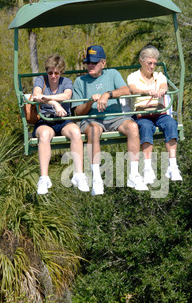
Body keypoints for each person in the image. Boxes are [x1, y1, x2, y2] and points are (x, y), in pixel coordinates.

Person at [72, 45, 148, 196]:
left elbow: (126, 90)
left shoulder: (112, 74)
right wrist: (89, 102)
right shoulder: (80, 81)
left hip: (115, 118)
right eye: (88, 62)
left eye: (94, 62)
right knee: (93, 131)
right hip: (92, 119)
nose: (90, 66)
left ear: (103, 63)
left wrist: (107, 94)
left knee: (133, 127)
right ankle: (97, 179)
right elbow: (77, 112)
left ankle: (133, 174)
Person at [31, 54, 89, 195]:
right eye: (50, 72)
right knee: (44, 135)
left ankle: (79, 175)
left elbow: (67, 96)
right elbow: (36, 96)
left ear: (61, 72)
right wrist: (55, 104)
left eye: (56, 73)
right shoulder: (41, 80)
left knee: (76, 132)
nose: (53, 76)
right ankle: (44, 178)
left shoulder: (66, 82)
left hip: (63, 121)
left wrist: (48, 99)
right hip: (46, 120)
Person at [127, 46, 182, 185]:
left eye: (154, 63)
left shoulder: (159, 76)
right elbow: (133, 89)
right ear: (141, 62)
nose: (152, 67)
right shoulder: (133, 76)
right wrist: (147, 92)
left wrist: (161, 90)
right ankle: (147, 168)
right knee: (145, 127)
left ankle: (173, 165)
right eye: (149, 63)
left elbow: (164, 85)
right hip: (142, 113)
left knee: (170, 124)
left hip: (159, 112)